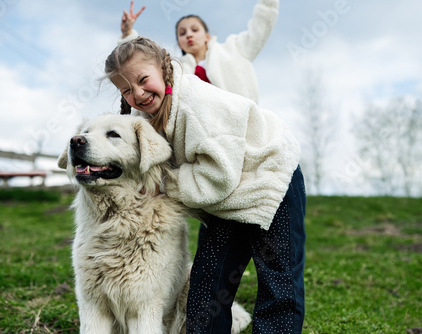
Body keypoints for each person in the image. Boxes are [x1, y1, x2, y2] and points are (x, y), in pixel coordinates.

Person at [104, 36, 306, 334]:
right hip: (226, 199)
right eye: (126, 89)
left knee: (278, 281)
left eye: (143, 80)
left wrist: (165, 183)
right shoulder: (148, 117)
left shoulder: (196, 106)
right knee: (208, 282)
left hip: (269, 180)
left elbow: (218, 176)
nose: (138, 93)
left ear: (164, 69)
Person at [118, 0, 279, 103]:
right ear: (179, 43)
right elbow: (138, 65)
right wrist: (127, 34)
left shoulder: (235, 48)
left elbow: (260, 28)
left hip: (241, 124)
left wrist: (268, 3)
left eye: (194, 29)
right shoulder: (174, 69)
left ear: (207, 36)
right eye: (182, 33)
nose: (188, 34)